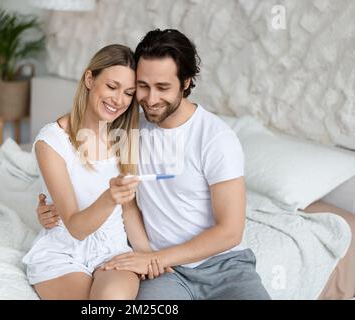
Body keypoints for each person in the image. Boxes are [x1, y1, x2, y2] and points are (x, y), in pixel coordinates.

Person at [37, 29, 271, 300]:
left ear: (186, 82)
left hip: (223, 267)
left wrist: (153, 258)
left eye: (163, 88)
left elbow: (230, 232)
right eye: (143, 87)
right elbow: (81, 162)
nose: (150, 99)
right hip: (161, 271)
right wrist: (47, 207)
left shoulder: (216, 138)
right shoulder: (129, 123)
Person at [22, 44, 166, 300]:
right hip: (62, 251)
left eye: (129, 93)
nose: (119, 100)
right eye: (112, 87)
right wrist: (110, 197)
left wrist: (147, 255)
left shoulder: (125, 138)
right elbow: (76, 228)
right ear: (90, 79)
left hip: (111, 251)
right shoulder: (52, 142)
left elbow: (129, 210)